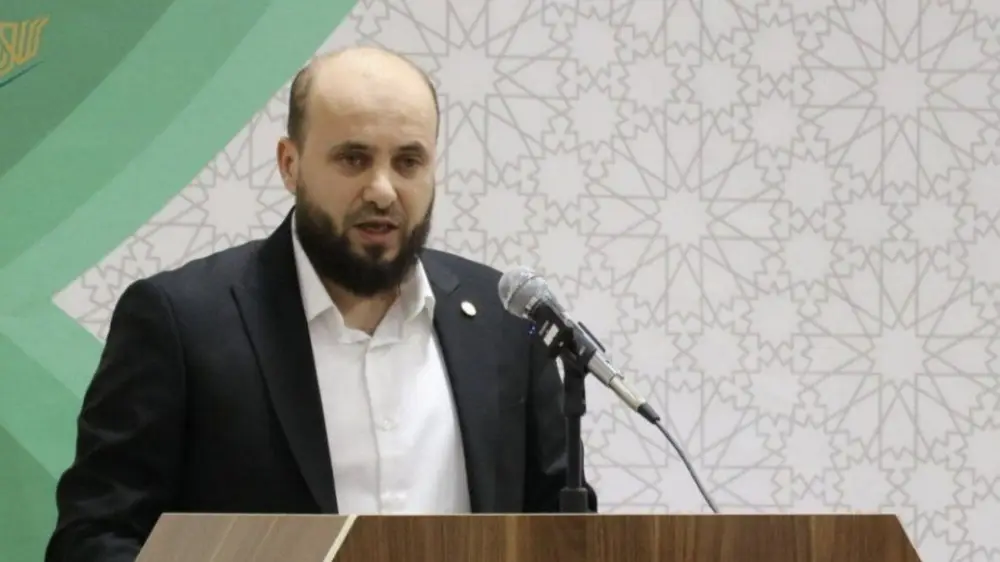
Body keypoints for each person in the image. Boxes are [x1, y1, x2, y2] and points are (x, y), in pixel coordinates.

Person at [43, 46, 597, 562]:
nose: (383, 190)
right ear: (290, 164)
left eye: (408, 162)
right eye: (353, 159)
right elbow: (93, 539)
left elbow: (559, 529)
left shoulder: (503, 321)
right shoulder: (182, 323)